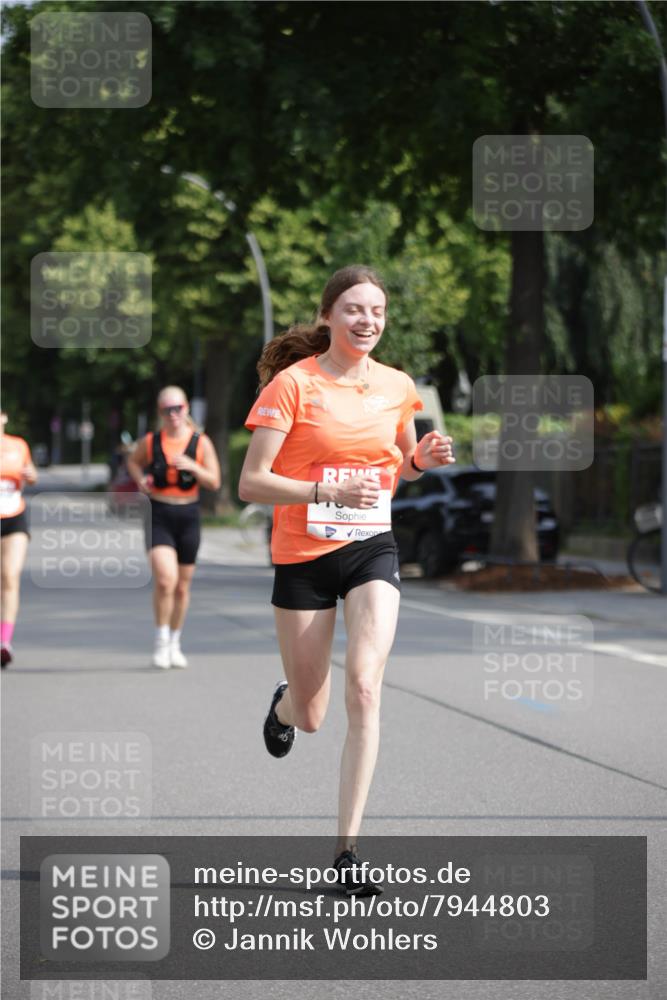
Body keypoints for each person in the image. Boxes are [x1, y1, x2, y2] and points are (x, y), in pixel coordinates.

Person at [239, 265, 455, 895]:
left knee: (363, 687)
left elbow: (403, 463)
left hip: (370, 547)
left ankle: (347, 852)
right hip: (302, 553)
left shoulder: (397, 386)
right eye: (355, 310)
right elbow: (251, 483)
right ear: (329, 315)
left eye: (378, 312)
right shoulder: (292, 384)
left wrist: (422, 459)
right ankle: (283, 703)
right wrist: (324, 486)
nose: (368, 321)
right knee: (311, 715)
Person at [127, 387, 221, 669]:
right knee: (165, 580)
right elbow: (133, 461)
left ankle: (175, 641)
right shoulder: (151, 441)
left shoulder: (200, 442)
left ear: (186, 409)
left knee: (182, 587)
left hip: (189, 514)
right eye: (167, 409)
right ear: (160, 412)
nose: (173, 414)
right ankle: (161, 639)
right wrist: (140, 480)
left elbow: (214, 482)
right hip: (159, 512)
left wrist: (193, 466)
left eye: (177, 408)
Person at [0, 411, 38, 668]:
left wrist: (30, 475)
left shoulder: (18, 445)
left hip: (14, 516)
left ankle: (4, 642)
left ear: (4, 417)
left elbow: (32, 474)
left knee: (10, 576)